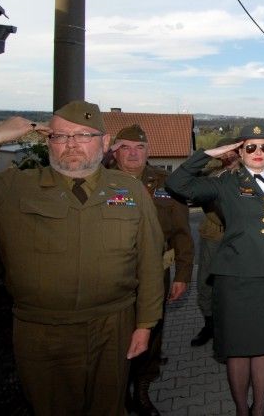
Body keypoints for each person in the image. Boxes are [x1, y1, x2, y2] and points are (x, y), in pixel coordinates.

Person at [0, 101, 164, 415]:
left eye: (83, 136)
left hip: (114, 327)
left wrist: (145, 324)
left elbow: (149, 261)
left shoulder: (129, 190)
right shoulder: (14, 187)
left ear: (105, 143)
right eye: (61, 137)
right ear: (49, 141)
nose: (71, 145)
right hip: (42, 331)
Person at [166, 122, 264, 416]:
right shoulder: (225, 183)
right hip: (236, 280)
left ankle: (259, 408)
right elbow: (177, 184)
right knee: (238, 348)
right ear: (239, 151)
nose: (258, 152)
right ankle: (242, 409)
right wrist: (208, 153)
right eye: (250, 147)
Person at [107, 124, 195, 415]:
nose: (133, 153)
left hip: (156, 273)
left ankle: (142, 389)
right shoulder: (101, 182)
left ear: (149, 151)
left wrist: (182, 275)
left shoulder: (166, 183)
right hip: (113, 275)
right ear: (114, 151)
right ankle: (117, 391)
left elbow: (182, 232)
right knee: (114, 335)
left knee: (152, 332)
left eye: (139, 147)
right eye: (126, 147)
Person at [190, 138, 241, 348]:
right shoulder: (211, 175)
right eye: (225, 154)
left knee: (235, 285)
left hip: (239, 238)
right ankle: (209, 324)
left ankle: (233, 326)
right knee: (205, 283)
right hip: (214, 235)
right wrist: (207, 156)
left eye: (233, 152)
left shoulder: (250, 176)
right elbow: (184, 180)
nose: (229, 157)